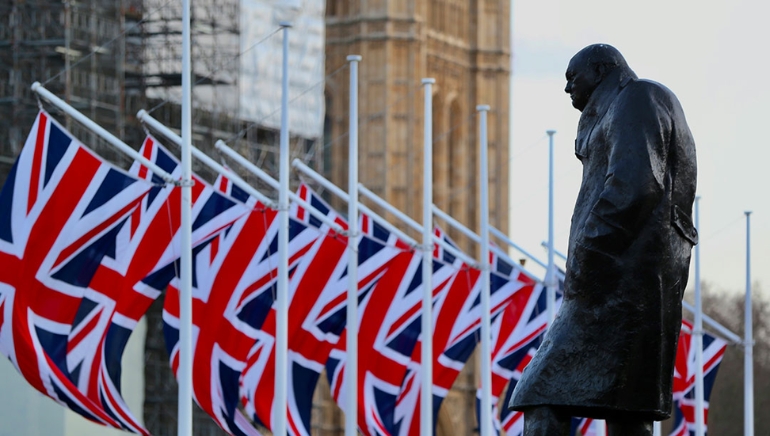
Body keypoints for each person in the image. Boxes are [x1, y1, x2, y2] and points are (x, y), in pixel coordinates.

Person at [508, 44, 699, 436]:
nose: (567, 90)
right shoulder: (629, 104)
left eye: (572, 79)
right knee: (628, 410)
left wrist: (589, 252)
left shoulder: (636, 98)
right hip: (633, 282)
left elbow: (637, 184)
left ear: (601, 70)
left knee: (539, 392)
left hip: (619, 282)